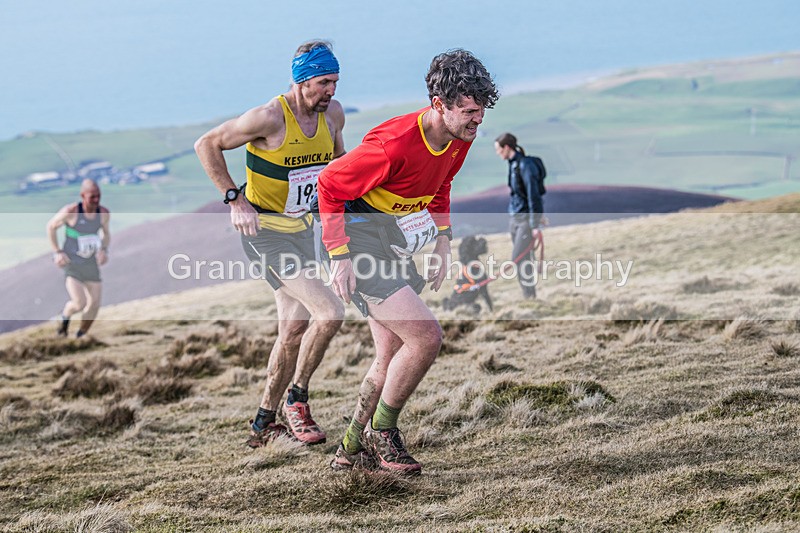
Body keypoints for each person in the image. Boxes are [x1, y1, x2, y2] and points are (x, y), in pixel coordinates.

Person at [317, 49, 498, 474]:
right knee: (426, 338)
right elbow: (328, 185)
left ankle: (348, 450)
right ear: (439, 104)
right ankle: (384, 433)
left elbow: (441, 185)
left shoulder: (459, 138)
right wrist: (340, 257)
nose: (479, 120)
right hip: (356, 238)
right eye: (470, 111)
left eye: (482, 110)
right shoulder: (393, 146)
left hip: (389, 239)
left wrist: (443, 241)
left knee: (391, 353)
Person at [194, 40, 346, 448]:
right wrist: (234, 199)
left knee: (293, 329)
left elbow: (337, 166)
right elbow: (206, 144)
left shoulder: (332, 114)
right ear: (301, 80)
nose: (331, 90)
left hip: (302, 231)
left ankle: (263, 423)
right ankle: (298, 399)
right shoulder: (268, 117)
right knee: (330, 311)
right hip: (264, 235)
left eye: (335, 81)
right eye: (323, 82)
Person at [47, 178, 111, 338]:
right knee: (79, 303)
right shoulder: (72, 211)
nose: (96, 200)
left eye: (98, 196)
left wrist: (104, 250)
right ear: (83, 195)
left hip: (90, 263)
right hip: (72, 263)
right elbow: (51, 227)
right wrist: (57, 252)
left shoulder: (103, 214)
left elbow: (106, 234)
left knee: (95, 304)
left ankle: (81, 335)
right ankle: (64, 320)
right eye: (92, 197)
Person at [494, 132, 545, 299]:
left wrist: (535, 225)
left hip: (524, 220)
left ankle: (529, 295)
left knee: (518, 257)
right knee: (524, 259)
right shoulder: (512, 164)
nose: (497, 153)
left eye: (498, 149)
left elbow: (533, 196)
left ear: (506, 147)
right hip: (514, 218)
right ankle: (530, 296)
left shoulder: (525, 166)